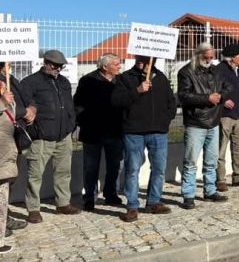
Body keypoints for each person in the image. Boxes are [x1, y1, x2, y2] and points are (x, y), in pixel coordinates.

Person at [112, 55, 177, 222]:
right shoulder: (125, 78)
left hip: (158, 132)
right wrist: (137, 91)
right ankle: (132, 206)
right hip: (134, 132)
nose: (145, 62)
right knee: (132, 169)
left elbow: (171, 102)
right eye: (141, 58)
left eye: (148, 59)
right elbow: (116, 102)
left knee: (159, 168)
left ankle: (153, 201)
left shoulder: (161, 77)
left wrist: (165, 120)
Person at [21, 50, 80, 223]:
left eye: (61, 66)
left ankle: (63, 203)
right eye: (55, 65)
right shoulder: (30, 82)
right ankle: (33, 208)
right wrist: (35, 128)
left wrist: (71, 125)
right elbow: (26, 108)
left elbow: (70, 106)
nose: (58, 69)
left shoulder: (64, 82)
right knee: (35, 174)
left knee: (64, 171)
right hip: (41, 137)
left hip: (63, 136)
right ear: (46, 63)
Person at [177, 43, 231, 209]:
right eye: (206, 57)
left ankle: (210, 190)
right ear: (198, 54)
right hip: (196, 122)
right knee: (191, 161)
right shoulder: (186, 71)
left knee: (211, 161)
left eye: (211, 57)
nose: (209, 60)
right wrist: (207, 98)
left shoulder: (216, 70)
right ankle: (188, 194)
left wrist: (220, 96)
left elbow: (229, 86)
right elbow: (184, 96)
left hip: (213, 121)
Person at [73, 52, 124, 211]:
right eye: (116, 64)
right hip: (93, 131)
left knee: (115, 165)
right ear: (104, 66)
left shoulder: (120, 81)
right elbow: (78, 105)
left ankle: (111, 194)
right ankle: (90, 197)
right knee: (91, 166)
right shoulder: (88, 80)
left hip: (115, 131)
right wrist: (84, 121)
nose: (119, 67)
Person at [0, 64, 35, 237]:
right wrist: (4, 102)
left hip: (12, 138)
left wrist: (31, 109)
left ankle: (4, 218)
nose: (10, 63)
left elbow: (25, 98)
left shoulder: (10, 78)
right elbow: (6, 106)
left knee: (8, 180)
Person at [216, 43, 239, 190]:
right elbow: (213, 89)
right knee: (221, 148)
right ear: (233, 58)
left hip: (238, 115)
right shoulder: (219, 70)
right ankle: (220, 180)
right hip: (224, 116)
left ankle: (238, 176)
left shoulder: (237, 71)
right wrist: (223, 100)